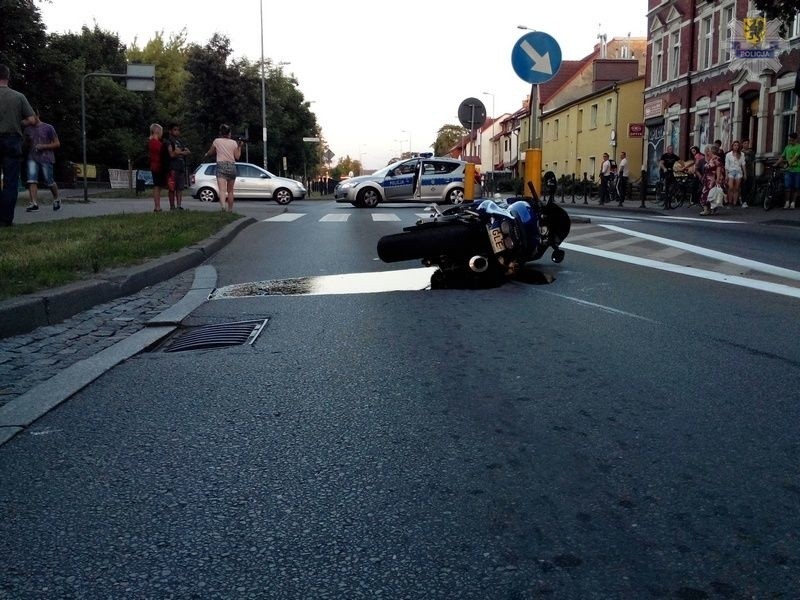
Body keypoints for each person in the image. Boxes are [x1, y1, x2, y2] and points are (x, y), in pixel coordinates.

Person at [0, 64, 36, 227]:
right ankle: (6, 219)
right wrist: (18, 122)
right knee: (11, 181)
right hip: (12, 140)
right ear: (8, 77)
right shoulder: (18, 96)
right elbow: (32, 120)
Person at [23, 109, 60, 212]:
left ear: (37, 115)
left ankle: (56, 199)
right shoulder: (27, 129)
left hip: (46, 158)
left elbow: (57, 144)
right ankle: (34, 203)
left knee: (49, 181)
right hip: (32, 158)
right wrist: (27, 142)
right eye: (27, 118)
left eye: (30, 116)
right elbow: (25, 145)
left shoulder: (48, 128)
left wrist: (44, 146)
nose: (29, 119)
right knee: (31, 179)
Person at [204, 124, 242, 212]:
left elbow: (211, 151)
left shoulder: (217, 141)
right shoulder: (233, 142)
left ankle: (223, 208)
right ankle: (230, 209)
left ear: (221, 133)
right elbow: (237, 157)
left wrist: (206, 154)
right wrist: (239, 147)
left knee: (222, 190)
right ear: (229, 133)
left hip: (221, 165)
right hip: (232, 166)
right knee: (230, 191)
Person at [167, 123, 190, 210]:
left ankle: (179, 205)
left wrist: (179, 152)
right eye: (175, 130)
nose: (177, 132)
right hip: (173, 167)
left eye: (178, 130)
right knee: (172, 187)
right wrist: (181, 152)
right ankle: (172, 206)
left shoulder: (179, 142)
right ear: (170, 131)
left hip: (181, 166)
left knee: (180, 188)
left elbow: (187, 151)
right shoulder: (169, 141)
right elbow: (172, 154)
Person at [699, 144, 724, 215]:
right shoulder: (710, 159)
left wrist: (718, 179)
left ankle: (710, 210)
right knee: (707, 193)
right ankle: (709, 209)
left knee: (711, 194)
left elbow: (718, 168)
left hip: (712, 180)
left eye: (708, 151)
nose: (707, 152)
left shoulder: (716, 159)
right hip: (707, 179)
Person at [778, 131, 800, 210]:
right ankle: (787, 202)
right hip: (788, 170)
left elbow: (796, 157)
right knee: (787, 187)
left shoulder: (798, 147)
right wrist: (776, 163)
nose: (790, 141)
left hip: (797, 170)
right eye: (789, 140)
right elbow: (782, 157)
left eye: (791, 140)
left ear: (795, 140)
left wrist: (788, 164)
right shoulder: (787, 147)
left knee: (796, 187)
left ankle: (793, 203)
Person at [147, 123, 166, 212]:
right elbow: (162, 151)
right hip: (157, 166)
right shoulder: (154, 142)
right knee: (157, 186)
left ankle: (157, 205)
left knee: (158, 186)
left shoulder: (154, 142)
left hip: (157, 165)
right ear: (157, 131)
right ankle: (157, 206)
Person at [724, 140, 746, 207]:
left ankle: (734, 203)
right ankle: (730, 202)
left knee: (736, 188)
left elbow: (743, 164)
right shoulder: (728, 154)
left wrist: (745, 174)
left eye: (737, 145)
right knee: (730, 187)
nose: (736, 147)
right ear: (732, 146)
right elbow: (726, 165)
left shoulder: (741, 154)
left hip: (738, 171)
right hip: (731, 171)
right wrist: (726, 175)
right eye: (735, 145)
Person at [741, 138, 755, 208]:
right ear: (742, 144)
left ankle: (748, 200)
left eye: (747, 143)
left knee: (749, 186)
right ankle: (744, 201)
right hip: (742, 171)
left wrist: (753, 171)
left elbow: (753, 162)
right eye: (745, 143)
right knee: (744, 187)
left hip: (750, 171)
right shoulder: (740, 153)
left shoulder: (751, 152)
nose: (746, 145)